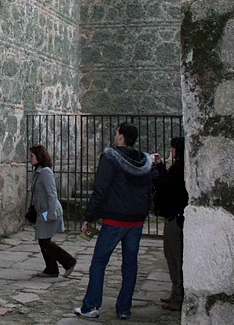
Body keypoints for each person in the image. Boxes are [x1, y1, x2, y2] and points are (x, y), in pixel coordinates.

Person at [74, 122, 155, 320]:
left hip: (115, 219)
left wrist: (89, 216)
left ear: (120, 136)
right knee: (130, 265)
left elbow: (100, 189)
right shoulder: (145, 161)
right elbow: (150, 189)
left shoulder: (110, 157)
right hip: (136, 221)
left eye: (116, 132)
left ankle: (91, 305)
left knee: (99, 262)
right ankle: (124, 308)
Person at [29, 144, 77, 278]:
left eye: (32, 156)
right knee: (43, 239)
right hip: (41, 211)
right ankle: (51, 268)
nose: (30, 158)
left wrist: (51, 213)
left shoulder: (45, 172)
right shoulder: (37, 172)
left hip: (48, 210)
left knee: (44, 240)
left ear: (39, 156)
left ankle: (68, 261)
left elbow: (52, 194)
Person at [153, 137, 188, 312]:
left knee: (176, 257)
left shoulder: (180, 168)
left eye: (173, 148)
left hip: (176, 216)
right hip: (172, 215)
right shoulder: (179, 167)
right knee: (171, 255)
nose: (171, 151)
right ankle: (175, 294)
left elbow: (165, 185)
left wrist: (156, 171)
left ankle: (178, 296)